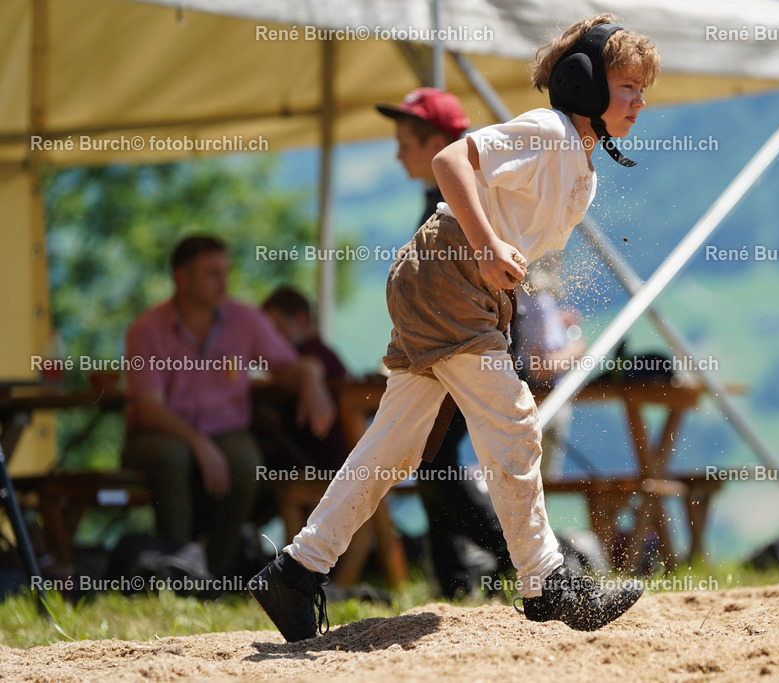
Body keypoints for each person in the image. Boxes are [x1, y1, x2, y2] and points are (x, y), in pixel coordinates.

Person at [250, 15, 660, 641]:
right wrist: (489, 244)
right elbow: (450, 160)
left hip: (460, 286)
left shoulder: (581, 165)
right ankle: (545, 580)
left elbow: (515, 234)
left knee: (396, 444)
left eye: (642, 90)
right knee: (513, 420)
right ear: (584, 83)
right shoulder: (548, 131)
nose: (638, 101)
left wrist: (503, 270)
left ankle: (295, 570)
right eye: (627, 86)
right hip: (448, 275)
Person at [123, 236, 336, 580]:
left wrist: (311, 377)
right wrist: (199, 443)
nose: (224, 283)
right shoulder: (146, 330)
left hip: (225, 430)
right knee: (172, 456)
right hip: (159, 432)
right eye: (212, 274)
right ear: (181, 277)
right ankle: (175, 570)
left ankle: (220, 574)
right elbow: (148, 409)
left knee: (245, 461)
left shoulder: (245, 319)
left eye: (226, 272)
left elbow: (287, 366)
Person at [376, 86, 514, 598]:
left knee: (432, 463)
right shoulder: (450, 197)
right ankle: (456, 580)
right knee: (432, 459)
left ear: (436, 143)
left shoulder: (459, 201)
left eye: (405, 144)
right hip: (457, 348)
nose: (397, 155)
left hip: (467, 349)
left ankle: (520, 557)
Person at [258, 285, 350, 474]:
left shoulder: (316, 352)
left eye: (277, 328)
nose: (271, 339)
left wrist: (309, 378)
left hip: (318, 464)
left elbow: (311, 365)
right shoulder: (303, 354)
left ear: (301, 319)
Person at [514, 254, 585, 479]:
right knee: (544, 481)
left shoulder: (522, 297)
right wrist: (575, 351)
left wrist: (555, 318)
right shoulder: (539, 302)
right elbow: (540, 369)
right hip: (545, 399)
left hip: (524, 399)